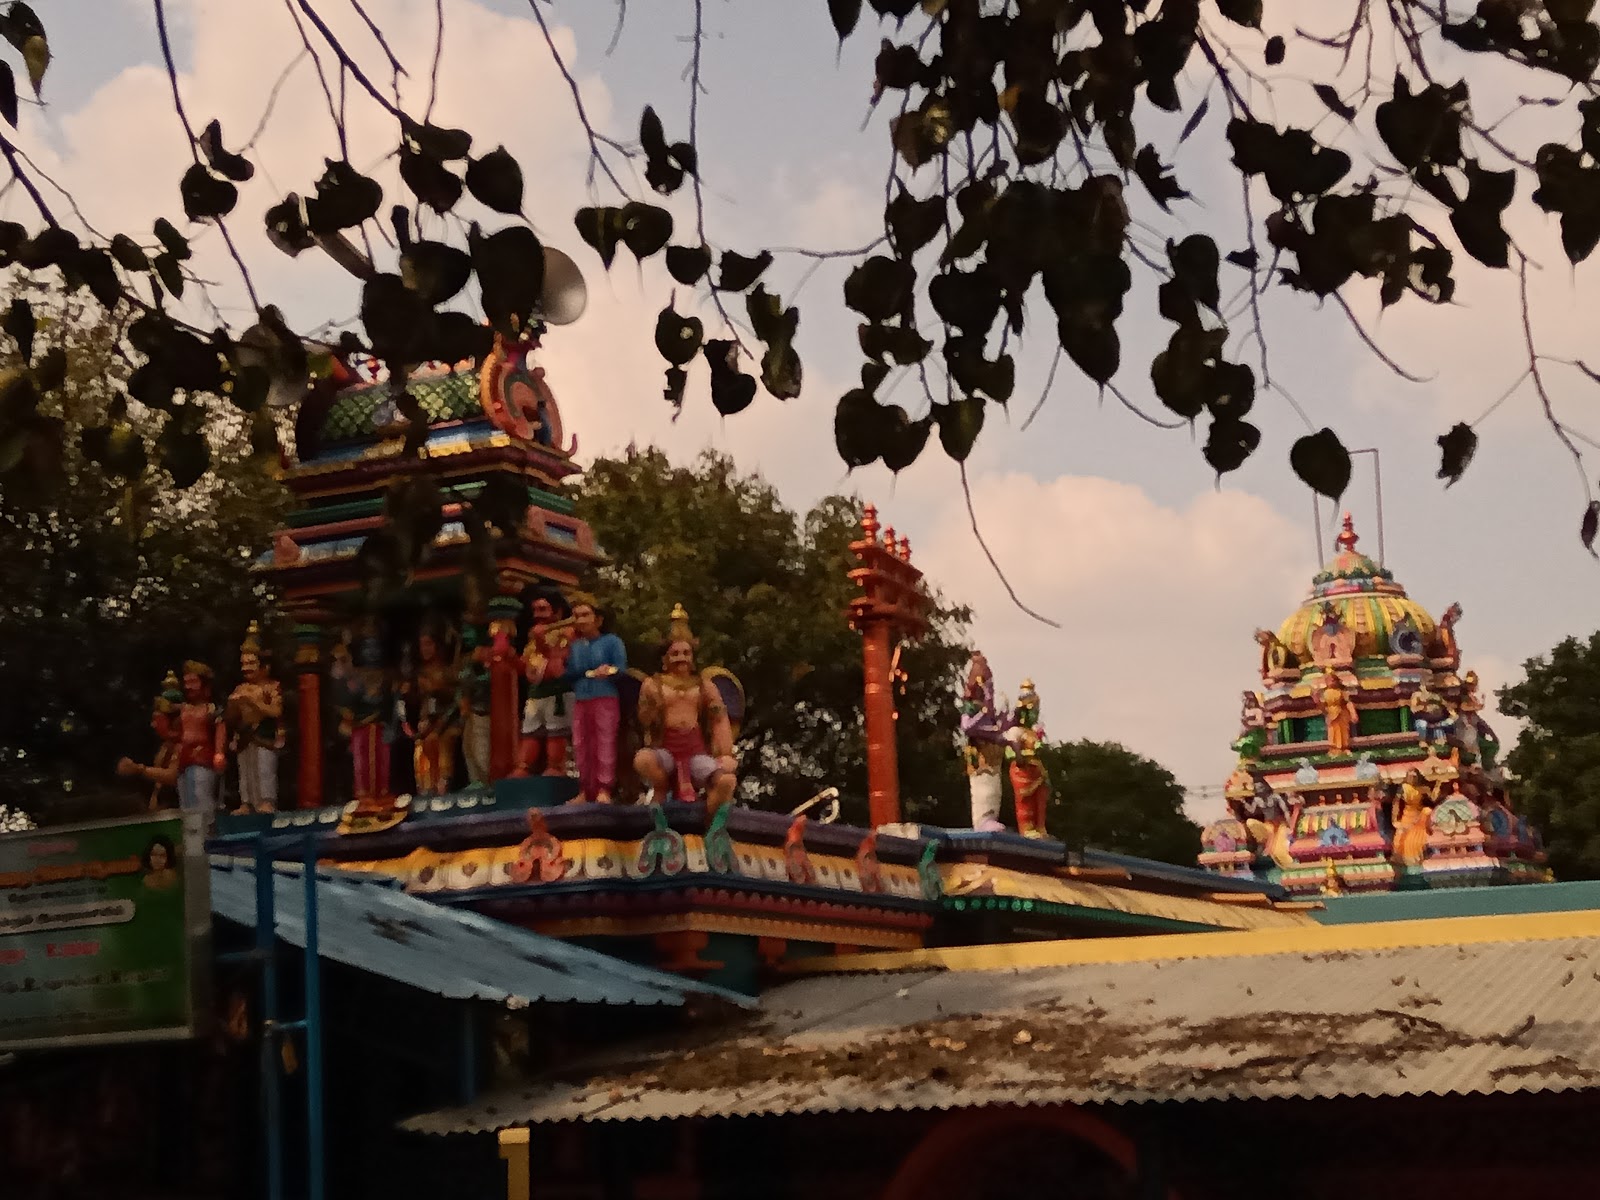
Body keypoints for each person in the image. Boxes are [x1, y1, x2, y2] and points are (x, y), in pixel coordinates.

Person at [633, 605, 738, 811]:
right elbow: (643, 720)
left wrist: (726, 753)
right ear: (665, 659)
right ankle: (662, 787)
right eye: (675, 653)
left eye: (686, 653)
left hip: (695, 752)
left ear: (692, 657)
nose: (681, 658)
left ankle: (710, 818)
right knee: (643, 760)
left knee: (726, 781)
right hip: (665, 751)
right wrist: (652, 704)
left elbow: (719, 719)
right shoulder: (653, 684)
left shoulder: (705, 686)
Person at [563, 593, 627, 804]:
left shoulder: (612, 642)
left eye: (585, 615)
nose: (581, 620)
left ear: (597, 619)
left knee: (604, 741)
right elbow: (569, 674)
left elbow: (621, 669)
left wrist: (608, 670)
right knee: (581, 744)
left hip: (605, 696)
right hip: (581, 697)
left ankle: (604, 788)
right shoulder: (575, 646)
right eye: (576, 616)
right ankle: (585, 788)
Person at [227, 623, 284, 814]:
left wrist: (253, 703)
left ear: (264, 666)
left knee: (264, 769)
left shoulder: (272, 687)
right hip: (244, 736)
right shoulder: (240, 689)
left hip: (263, 734)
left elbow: (276, 711)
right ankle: (247, 802)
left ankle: (267, 800)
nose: (246, 668)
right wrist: (233, 706)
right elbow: (231, 717)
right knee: (245, 771)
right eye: (244, 664)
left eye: (251, 663)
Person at [516, 591, 574, 778]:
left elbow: (558, 663)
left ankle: (555, 767)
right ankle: (524, 766)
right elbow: (524, 666)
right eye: (534, 610)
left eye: (542, 609)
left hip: (557, 692)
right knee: (530, 732)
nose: (536, 615)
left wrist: (541, 642)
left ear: (557, 612)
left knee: (556, 732)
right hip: (536, 694)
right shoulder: (532, 638)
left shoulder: (568, 633)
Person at [405, 625, 461, 795]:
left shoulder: (447, 671)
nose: (425, 649)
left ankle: (443, 783)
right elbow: (419, 702)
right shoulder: (419, 674)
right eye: (422, 645)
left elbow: (456, 699)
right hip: (428, 723)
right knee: (423, 746)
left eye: (429, 644)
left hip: (447, 721)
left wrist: (438, 690)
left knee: (441, 741)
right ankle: (427, 787)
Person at [117, 671, 184, 809]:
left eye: (157, 720)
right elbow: (159, 782)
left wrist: (139, 769)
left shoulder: (182, 743)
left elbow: (172, 776)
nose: (153, 725)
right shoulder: (165, 747)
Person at [958, 651, 1008, 832]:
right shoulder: (971, 707)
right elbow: (968, 727)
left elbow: (995, 727)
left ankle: (991, 818)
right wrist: (984, 715)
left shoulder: (988, 707)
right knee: (983, 790)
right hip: (980, 757)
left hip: (993, 756)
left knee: (994, 790)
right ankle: (982, 820)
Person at [175, 661, 227, 818]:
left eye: (193, 682)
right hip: (184, 760)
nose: (188, 687)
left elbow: (220, 728)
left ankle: (205, 826)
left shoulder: (211, 709)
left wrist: (219, 752)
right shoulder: (182, 709)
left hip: (202, 757)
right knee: (185, 800)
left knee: (200, 796)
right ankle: (191, 828)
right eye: (186, 682)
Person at [1004, 679, 1050, 839]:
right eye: (1032, 710)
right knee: (1025, 799)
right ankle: (1027, 828)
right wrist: (1021, 755)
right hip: (1023, 770)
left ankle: (1040, 827)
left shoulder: (1033, 732)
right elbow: (1009, 752)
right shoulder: (1015, 731)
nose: (1035, 714)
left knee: (1041, 798)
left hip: (1037, 769)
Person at [457, 625, 494, 787]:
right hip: (472, 711)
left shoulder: (489, 658)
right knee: (469, 750)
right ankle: (476, 782)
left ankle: (487, 784)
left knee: (481, 752)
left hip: (485, 711)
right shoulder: (467, 661)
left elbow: (486, 681)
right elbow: (462, 682)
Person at [1320, 670, 1357, 754]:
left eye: (1334, 680)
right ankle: (1334, 748)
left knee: (1343, 730)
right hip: (1331, 714)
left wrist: (1353, 713)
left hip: (1342, 713)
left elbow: (1348, 703)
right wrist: (1325, 713)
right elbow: (1322, 705)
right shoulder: (1325, 693)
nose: (1332, 682)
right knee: (1333, 731)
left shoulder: (1341, 692)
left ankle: (1345, 747)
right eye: (1330, 680)